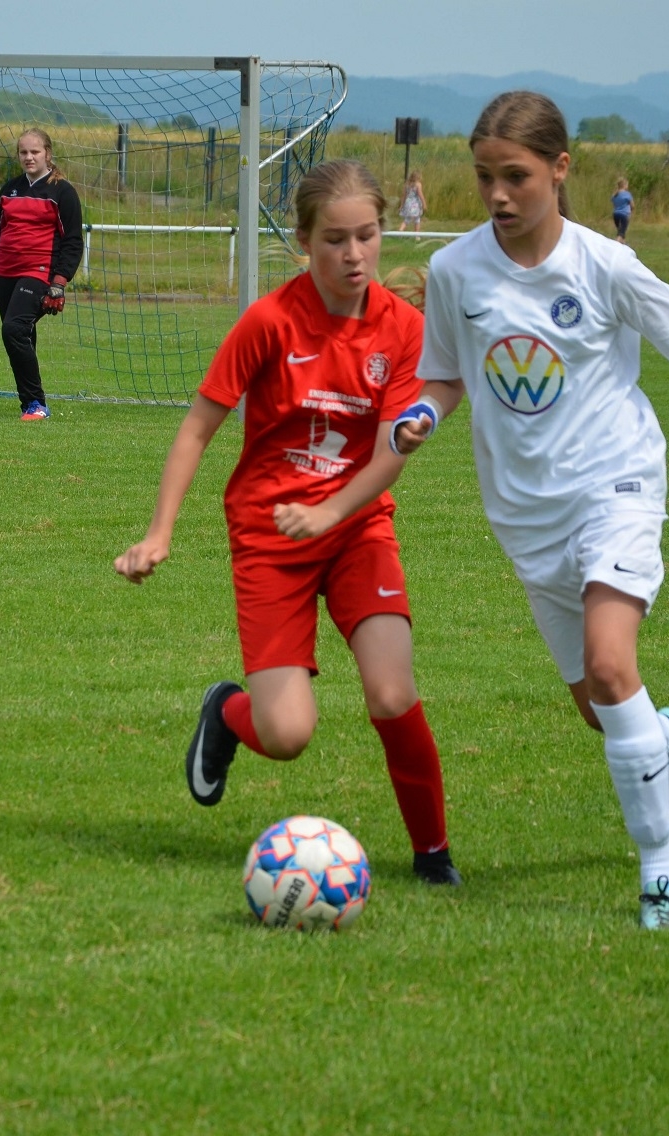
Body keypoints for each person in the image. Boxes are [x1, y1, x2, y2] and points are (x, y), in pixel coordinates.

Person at [393, 91, 669, 928]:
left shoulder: (607, 267)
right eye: (484, 176)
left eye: (516, 176)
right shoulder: (454, 271)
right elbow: (445, 375)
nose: (498, 194)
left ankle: (661, 877)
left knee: (609, 664)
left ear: (560, 169)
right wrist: (421, 414)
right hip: (526, 517)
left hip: (616, 486)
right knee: (602, 710)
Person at [114, 159, 461, 887]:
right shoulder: (269, 321)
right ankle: (226, 712)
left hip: (357, 527)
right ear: (304, 241)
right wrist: (159, 532)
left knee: (392, 691)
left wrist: (334, 509)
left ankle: (433, 856)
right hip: (270, 536)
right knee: (287, 733)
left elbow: (390, 455)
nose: (354, 254)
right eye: (335, 239)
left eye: (367, 235)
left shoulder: (404, 331)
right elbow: (196, 429)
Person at [0, 128, 83, 420]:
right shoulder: (9, 190)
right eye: (23, 152)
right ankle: (30, 405)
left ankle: (36, 403)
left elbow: (73, 241)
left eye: (35, 152)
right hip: (5, 274)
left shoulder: (62, 192)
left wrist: (59, 283)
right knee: (22, 335)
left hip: (39, 273)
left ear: (48, 153)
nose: (29, 157)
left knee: (13, 329)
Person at [611, 176, 634, 243]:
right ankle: (616, 243)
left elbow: (614, 203)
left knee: (620, 231)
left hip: (615, 215)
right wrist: (631, 211)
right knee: (621, 232)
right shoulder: (627, 194)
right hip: (624, 215)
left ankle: (623, 243)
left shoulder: (615, 194)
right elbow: (632, 205)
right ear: (624, 185)